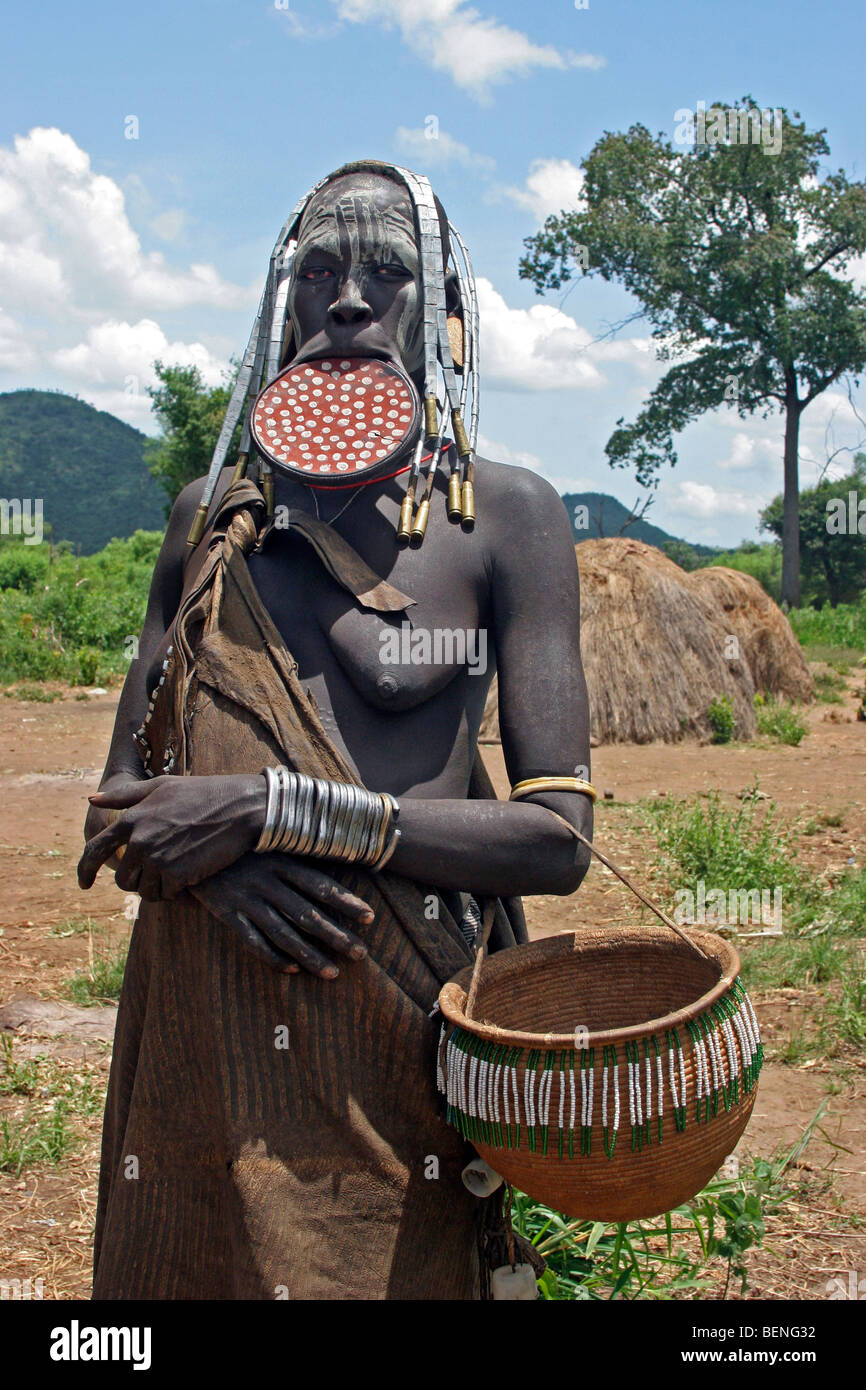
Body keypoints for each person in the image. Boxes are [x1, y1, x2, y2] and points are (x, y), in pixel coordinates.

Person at [78, 159, 594, 1300]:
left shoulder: (502, 515)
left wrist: (274, 812)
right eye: (318, 270)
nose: (351, 299)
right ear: (285, 304)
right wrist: (219, 876)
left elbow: (558, 838)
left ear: (439, 313)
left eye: (386, 273)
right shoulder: (211, 521)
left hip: (394, 1047)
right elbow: (113, 808)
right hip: (205, 1031)